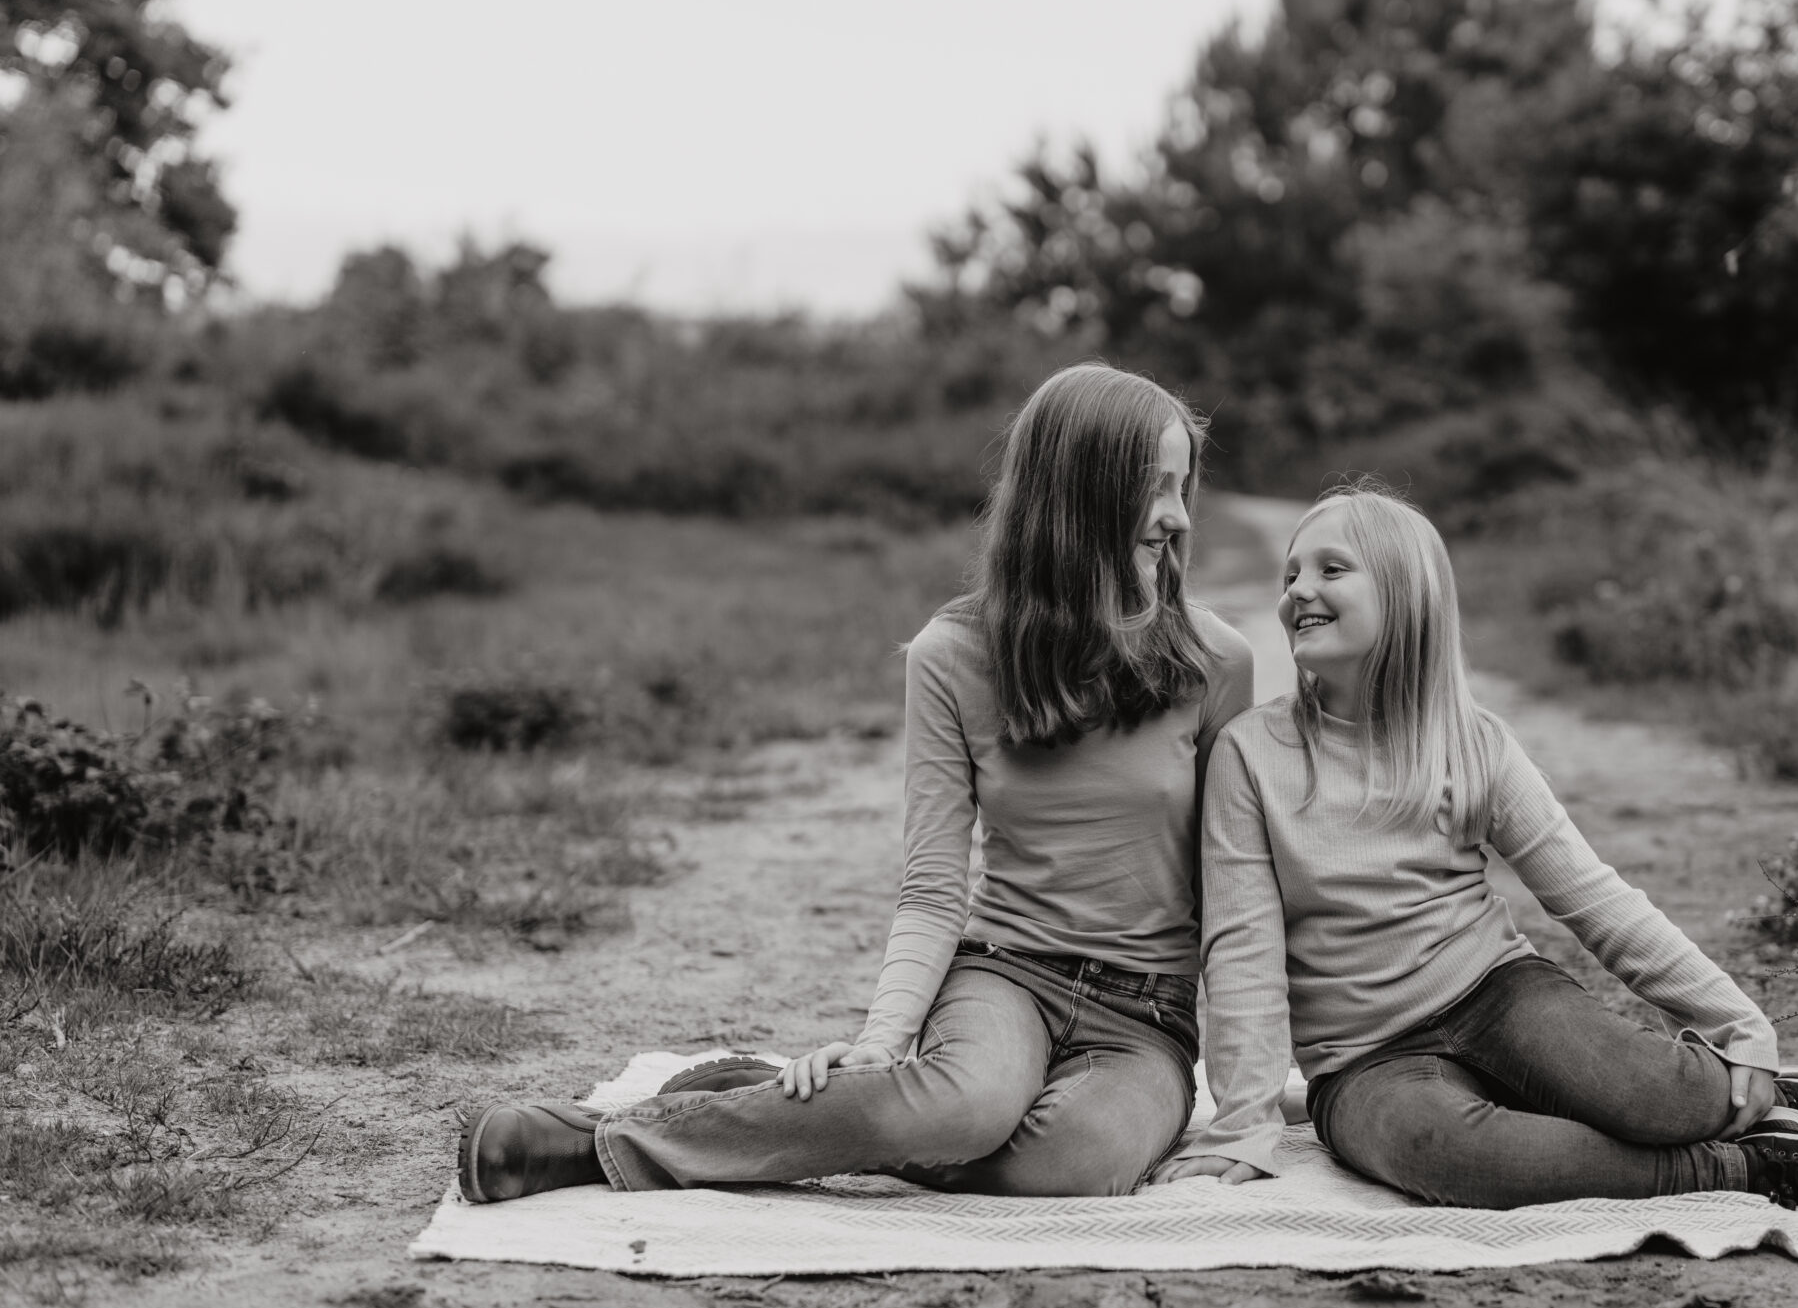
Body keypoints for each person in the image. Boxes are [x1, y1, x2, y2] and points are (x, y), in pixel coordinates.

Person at [458, 362, 1257, 1203]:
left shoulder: (1218, 664)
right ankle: (603, 1142)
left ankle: (778, 1105)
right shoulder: (953, 657)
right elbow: (933, 884)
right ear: (1079, 494)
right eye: (1154, 488)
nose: (1177, 516)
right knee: (965, 1105)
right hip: (1006, 974)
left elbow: (1236, 901)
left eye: (1182, 488)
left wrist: (1249, 1107)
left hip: (1144, 1019)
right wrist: (883, 1039)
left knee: (1073, 1163)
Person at [1155, 484, 1798, 1209]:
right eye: (1290, 573)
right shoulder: (1250, 755)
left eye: (1330, 569)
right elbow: (1243, 953)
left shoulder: (1472, 743)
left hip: (1497, 993)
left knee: (1662, 1098)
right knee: (1448, 1153)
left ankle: (1776, 1093)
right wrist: (1246, 1123)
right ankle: (1752, 1166)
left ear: (1404, 593)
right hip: (1365, 1063)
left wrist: (1740, 1025)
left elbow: (1590, 896)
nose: (1297, 590)